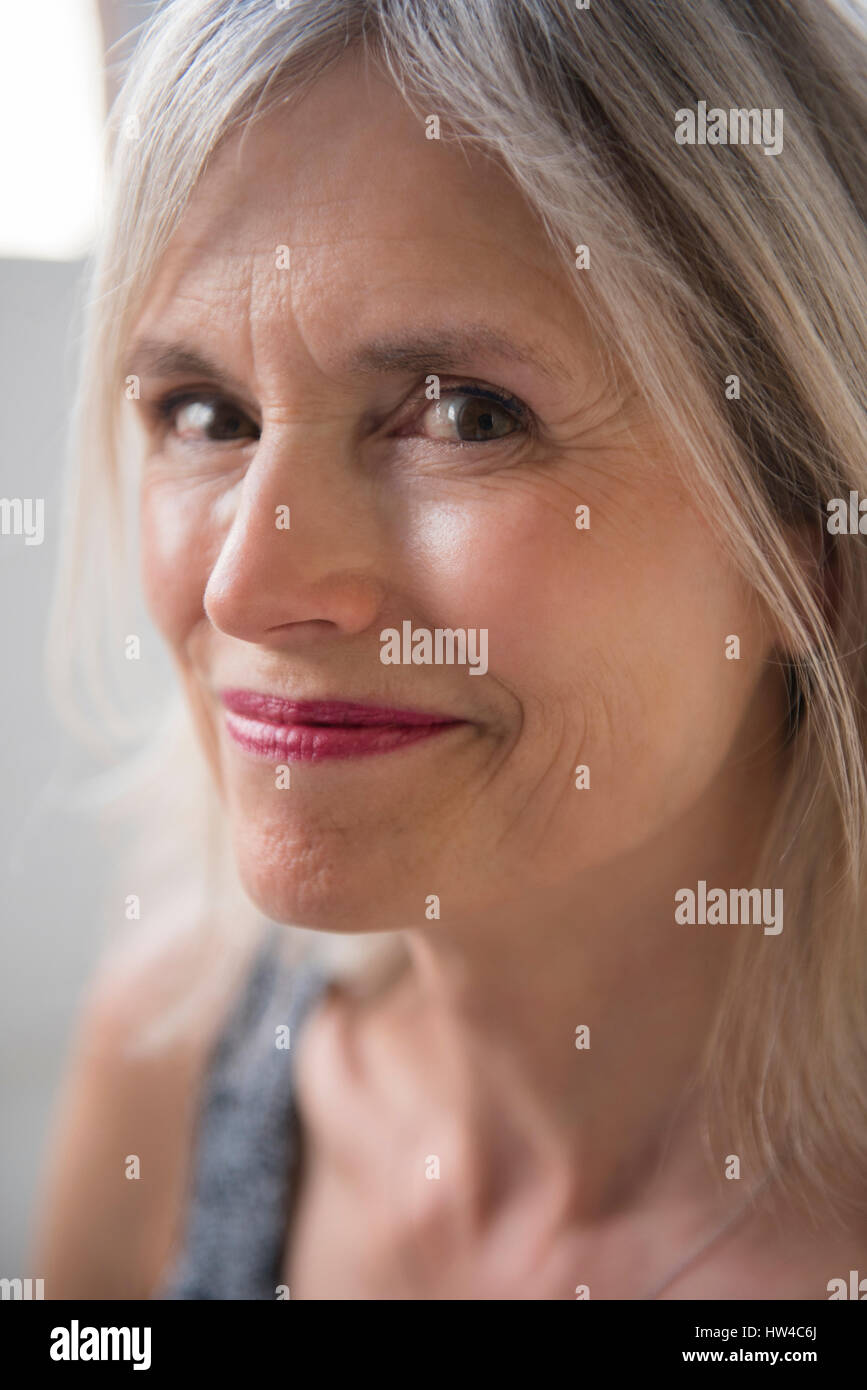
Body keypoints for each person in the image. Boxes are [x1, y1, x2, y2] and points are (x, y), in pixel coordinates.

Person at [33, 0, 867, 1298]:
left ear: (813, 530)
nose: (251, 585)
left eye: (466, 417)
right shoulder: (167, 1074)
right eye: (205, 412)